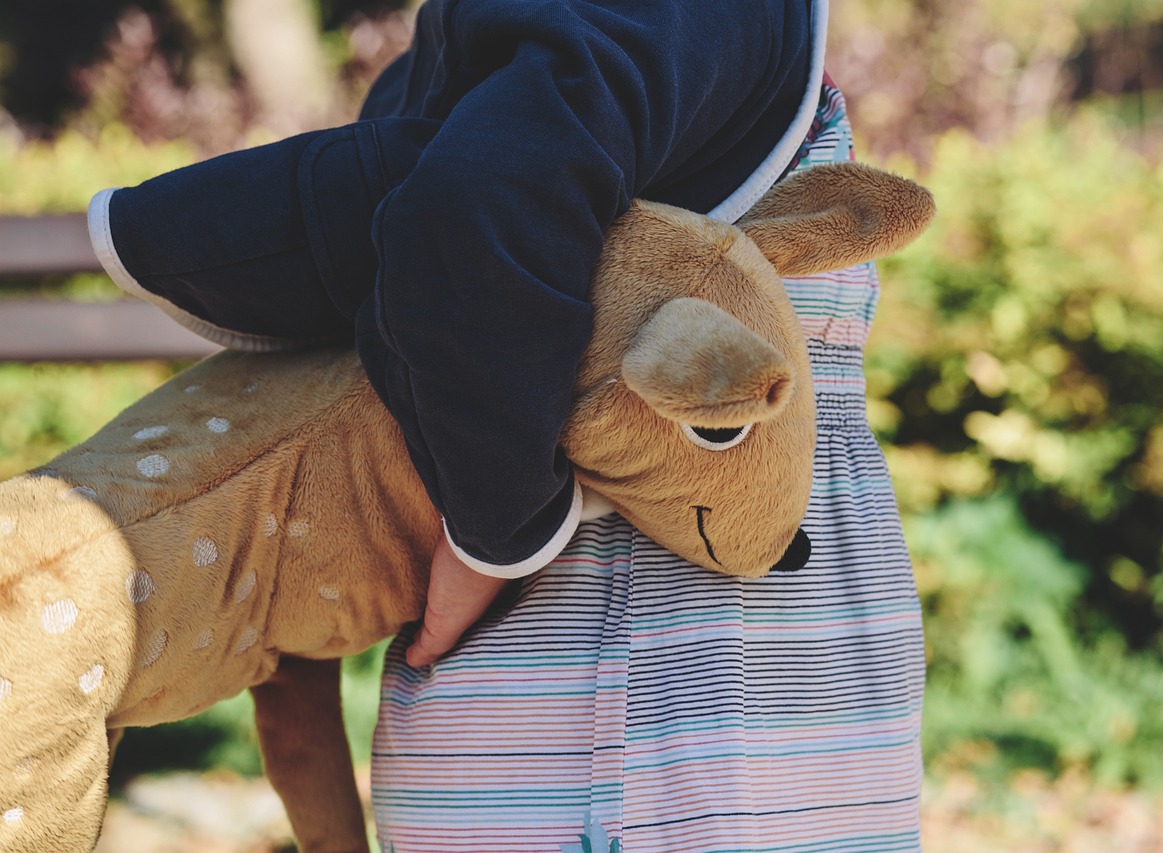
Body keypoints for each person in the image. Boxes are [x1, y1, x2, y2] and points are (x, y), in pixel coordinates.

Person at [88, 0, 924, 849]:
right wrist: (497, 530)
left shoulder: (474, 51)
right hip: (663, 726)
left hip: (704, 707)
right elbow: (473, 209)